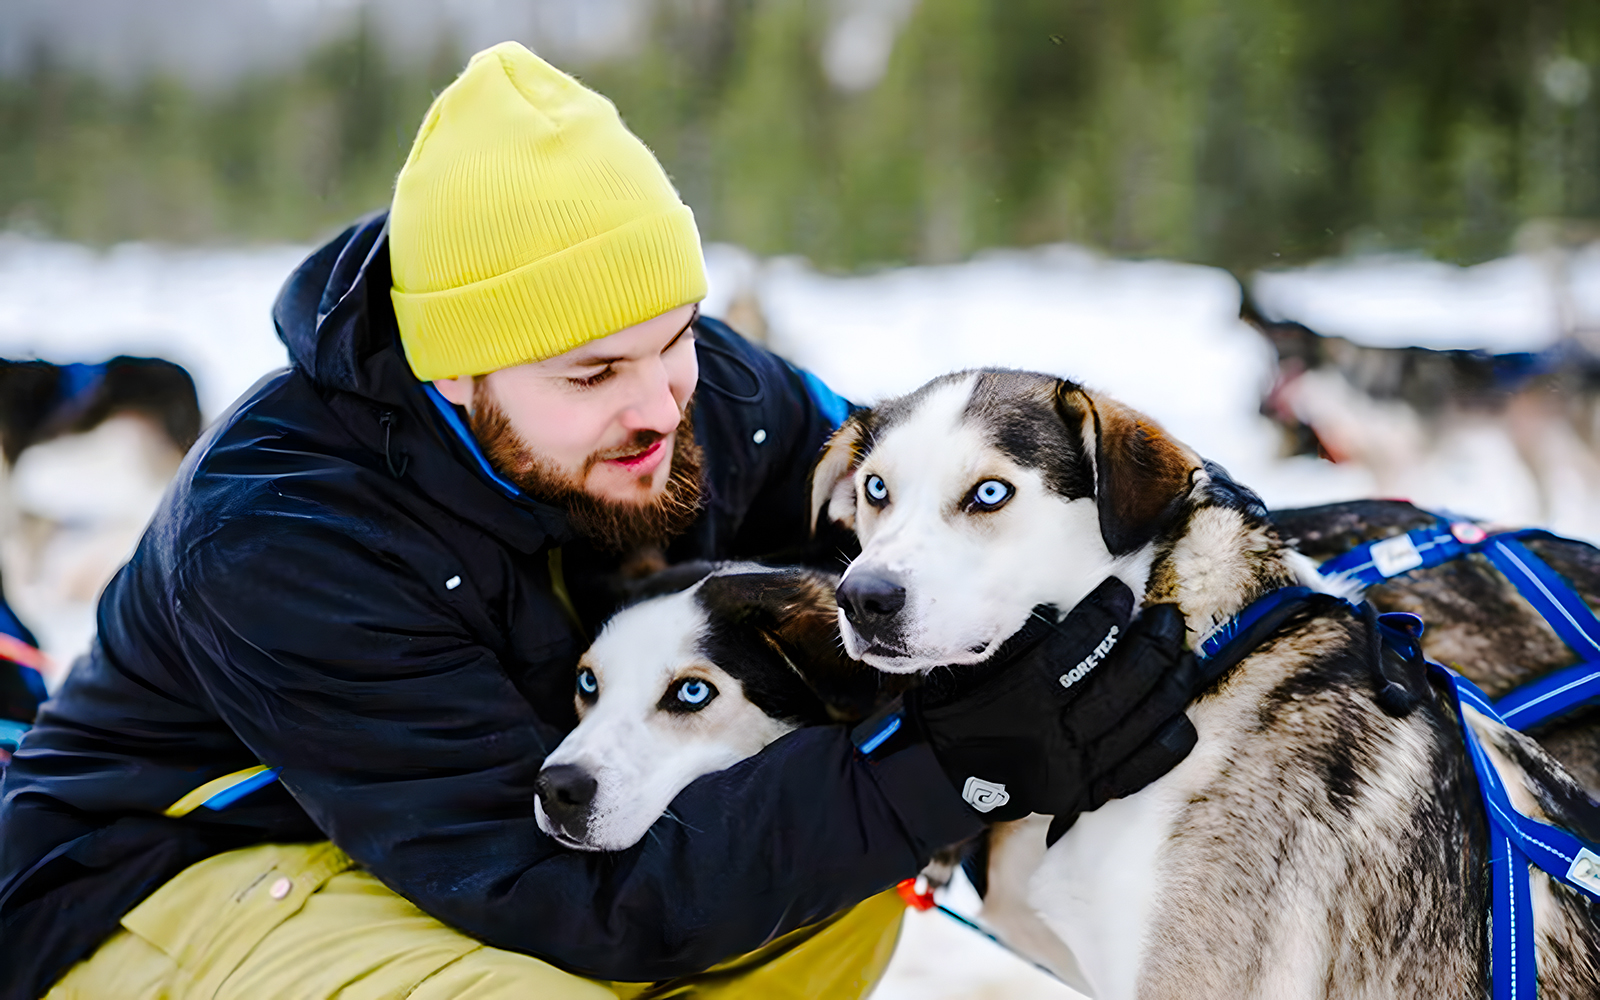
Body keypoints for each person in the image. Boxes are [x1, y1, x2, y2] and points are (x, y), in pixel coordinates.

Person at [0, 43, 1200, 1000]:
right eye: (590, 376)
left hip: (487, 830)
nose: (656, 408)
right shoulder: (282, 533)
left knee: (829, 902)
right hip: (166, 881)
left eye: (673, 337)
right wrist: (954, 759)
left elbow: (900, 516)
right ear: (455, 372)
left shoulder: (700, 394)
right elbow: (555, 889)